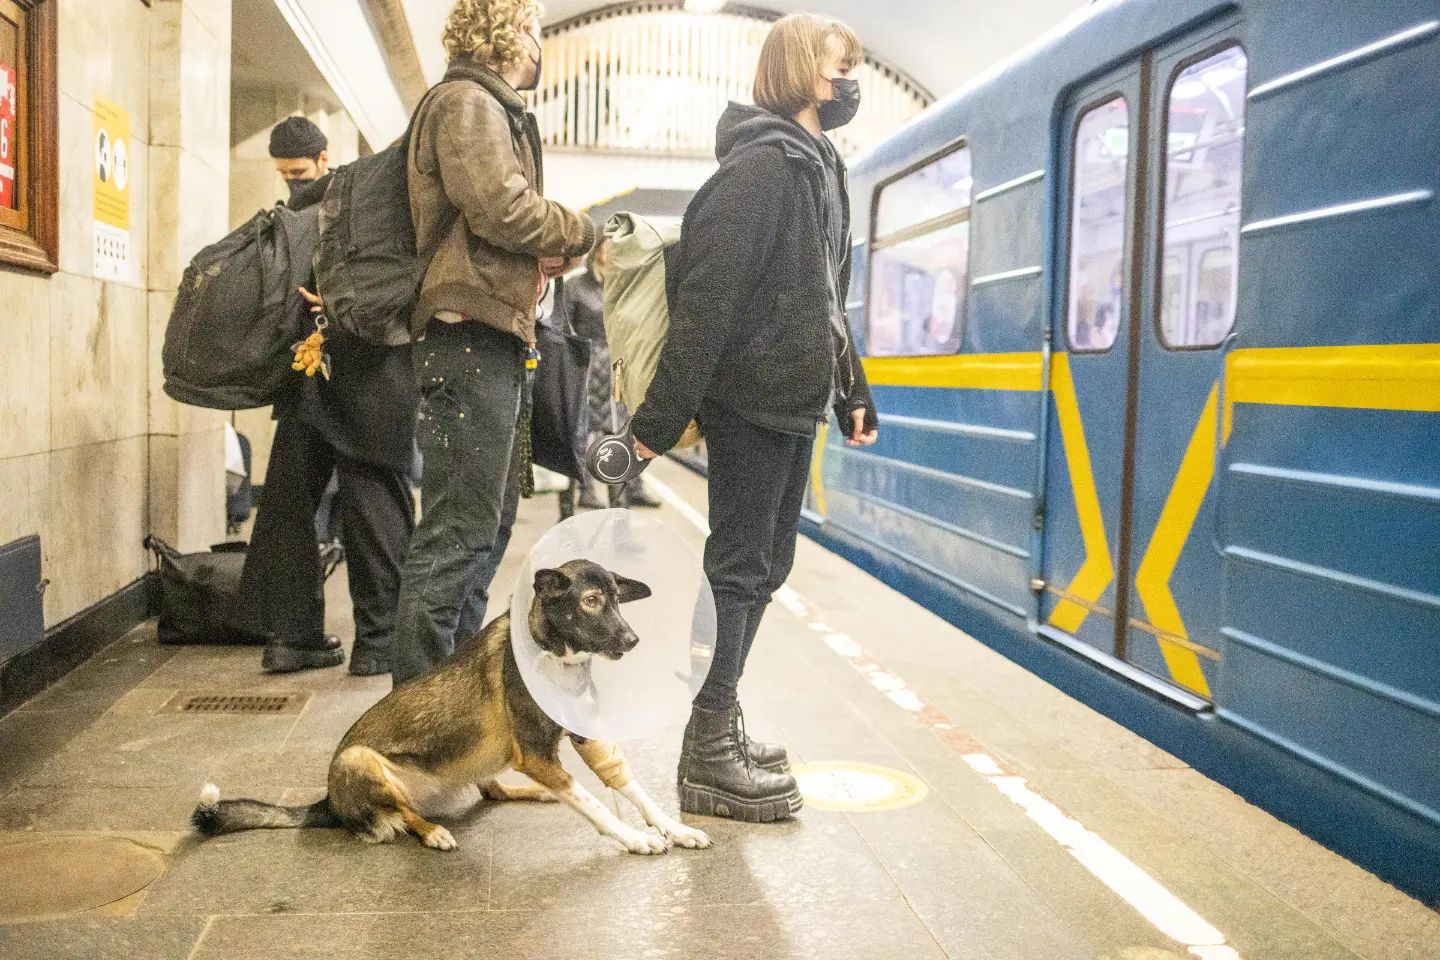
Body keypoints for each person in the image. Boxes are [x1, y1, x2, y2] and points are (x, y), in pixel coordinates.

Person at [630, 13, 879, 822]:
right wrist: (654, 424)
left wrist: (852, 390)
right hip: (750, 399)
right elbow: (707, 305)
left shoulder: (817, 166)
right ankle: (706, 748)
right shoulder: (762, 171)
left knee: (765, 568)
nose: (853, 82)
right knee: (740, 569)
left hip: (792, 402)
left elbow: (824, 298)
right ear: (805, 69)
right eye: (844, 67)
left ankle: (719, 716)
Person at [391, 0, 595, 685]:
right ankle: (413, 721)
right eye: (536, 31)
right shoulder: (469, 103)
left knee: (484, 532)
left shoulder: (489, 108)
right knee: (455, 537)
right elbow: (500, 207)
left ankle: (453, 696)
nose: (540, 47)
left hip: (490, 340)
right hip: (467, 342)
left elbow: (489, 224)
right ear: (512, 34)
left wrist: (537, 258)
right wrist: (579, 230)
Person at [232, 117, 419, 677]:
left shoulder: (323, 209)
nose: (293, 182)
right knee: (341, 501)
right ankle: (357, 641)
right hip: (352, 370)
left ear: (322, 156)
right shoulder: (359, 207)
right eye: (285, 174)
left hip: (336, 370)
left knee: (334, 500)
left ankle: (304, 638)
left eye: (299, 171)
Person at [555, 236, 662, 511]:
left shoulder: (624, 287)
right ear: (598, 250)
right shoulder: (575, 287)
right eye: (608, 246)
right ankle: (582, 489)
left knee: (618, 430)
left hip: (616, 368)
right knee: (580, 432)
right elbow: (563, 328)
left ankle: (622, 496)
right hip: (585, 366)